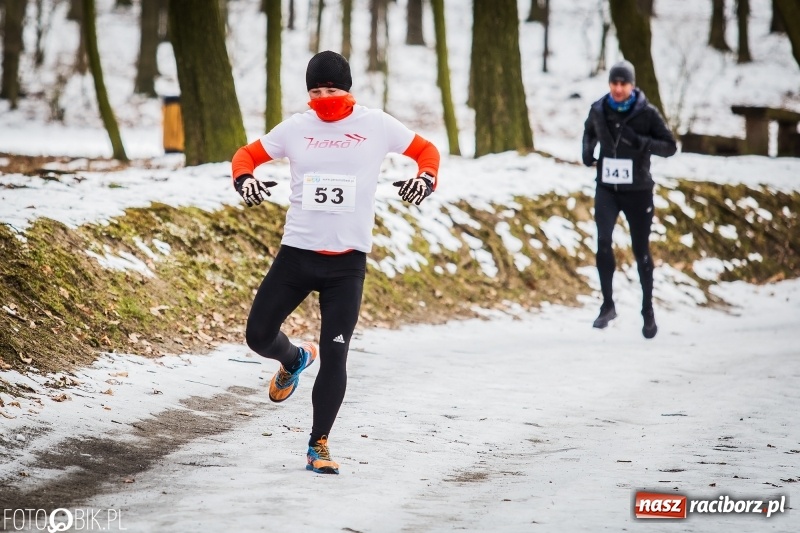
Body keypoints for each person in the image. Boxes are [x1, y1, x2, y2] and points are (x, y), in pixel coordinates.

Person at [230, 51, 440, 474]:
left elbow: (427, 151)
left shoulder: (376, 125)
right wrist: (245, 179)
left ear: (348, 89)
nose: (324, 98)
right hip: (297, 255)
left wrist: (425, 178)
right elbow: (245, 155)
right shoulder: (295, 128)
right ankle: (292, 359)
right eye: (315, 91)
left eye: (332, 89)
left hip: (346, 266)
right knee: (257, 336)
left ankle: (318, 444)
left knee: (336, 355)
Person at [581, 60, 677, 339]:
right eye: (614, 83)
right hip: (607, 188)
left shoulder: (646, 113)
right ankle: (607, 304)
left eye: (623, 83)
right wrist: (587, 151)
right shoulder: (599, 109)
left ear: (632, 85)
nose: (618, 88)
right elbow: (589, 132)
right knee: (602, 242)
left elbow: (670, 146)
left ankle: (647, 310)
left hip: (638, 190)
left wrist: (643, 143)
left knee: (640, 249)